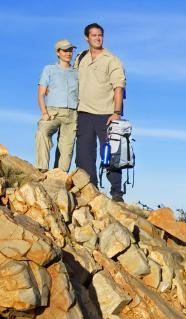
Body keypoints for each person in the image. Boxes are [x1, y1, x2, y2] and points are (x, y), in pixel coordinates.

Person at [74, 23, 126, 202]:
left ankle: (117, 194)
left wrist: (117, 112)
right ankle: (91, 191)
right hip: (83, 113)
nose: (97, 38)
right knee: (83, 156)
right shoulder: (80, 58)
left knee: (111, 154)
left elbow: (118, 86)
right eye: (94, 35)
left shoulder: (112, 59)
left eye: (100, 35)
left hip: (106, 114)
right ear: (86, 38)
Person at [36, 39, 79, 173]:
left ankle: (58, 177)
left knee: (67, 150)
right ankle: (42, 168)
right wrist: (44, 113)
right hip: (52, 112)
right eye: (65, 50)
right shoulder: (49, 69)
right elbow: (41, 93)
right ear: (58, 52)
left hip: (72, 115)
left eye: (70, 50)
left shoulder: (77, 72)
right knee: (42, 132)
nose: (68, 53)